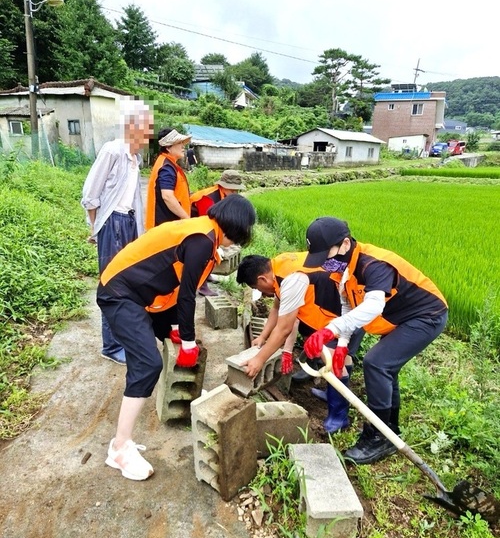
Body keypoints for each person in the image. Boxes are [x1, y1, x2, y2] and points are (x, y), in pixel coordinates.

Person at [97, 195, 256, 481]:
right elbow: (186, 295)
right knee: (147, 364)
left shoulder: (203, 231)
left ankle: (122, 443)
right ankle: (120, 448)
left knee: (153, 354)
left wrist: (172, 329)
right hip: (119, 294)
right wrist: (188, 340)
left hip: (135, 292)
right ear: (237, 226)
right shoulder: (202, 240)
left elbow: (174, 285)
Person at [302, 217, 448, 464]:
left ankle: (379, 436)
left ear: (345, 244)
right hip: (400, 318)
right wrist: (342, 345)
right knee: (386, 369)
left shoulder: (373, 264)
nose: (325, 264)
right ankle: (390, 430)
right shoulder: (344, 271)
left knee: (376, 363)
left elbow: (373, 305)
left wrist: (329, 331)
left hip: (426, 316)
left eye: (326, 256)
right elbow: (349, 305)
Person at [236, 252, 364, 434]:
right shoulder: (279, 266)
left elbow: (284, 329)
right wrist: (263, 337)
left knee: (336, 361)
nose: (263, 293)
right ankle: (331, 394)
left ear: (262, 278)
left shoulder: (291, 280)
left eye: (258, 288)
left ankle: (339, 417)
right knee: (336, 358)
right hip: (328, 309)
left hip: (346, 311)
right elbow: (277, 307)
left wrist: (259, 360)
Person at [81, 98, 154, 366]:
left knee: (128, 282)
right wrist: (96, 227)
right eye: (145, 127)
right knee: (111, 284)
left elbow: (134, 199)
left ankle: (123, 338)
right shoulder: (112, 150)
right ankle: (110, 346)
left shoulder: (135, 158)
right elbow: (91, 194)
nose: (148, 134)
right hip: (112, 223)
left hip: (129, 223)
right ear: (131, 126)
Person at [191, 169, 246, 297]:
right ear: (223, 186)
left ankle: (207, 275)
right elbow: (207, 225)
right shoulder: (208, 198)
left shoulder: (223, 195)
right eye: (232, 190)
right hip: (193, 225)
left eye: (236, 191)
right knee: (205, 250)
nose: (235, 193)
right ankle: (202, 285)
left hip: (202, 224)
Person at [145, 127, 191, 229]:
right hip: (166, 227)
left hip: (166, 225)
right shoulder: (167, 168)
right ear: (168, 147)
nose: (183, 146)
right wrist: (186, 218)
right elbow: (167, 196)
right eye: (179, 143)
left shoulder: (166, 163)